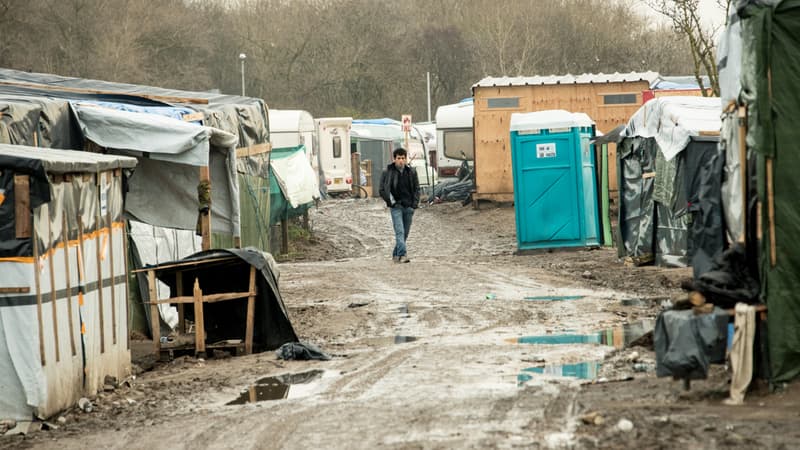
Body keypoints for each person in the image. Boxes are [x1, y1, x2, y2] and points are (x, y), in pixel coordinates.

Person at [379, 147, 420, 263]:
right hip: (396, 207)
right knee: (400, 231)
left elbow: (417, 189)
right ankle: (403, 255)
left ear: (406, 159)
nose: (401, 160)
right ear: (394, 159)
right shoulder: (387, 172)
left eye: (403, 158)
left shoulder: (411, 172)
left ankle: (396, 254)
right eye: (399, 158)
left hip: (408, 207)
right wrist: (391, 202)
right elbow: (382, 190)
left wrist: (414, 204)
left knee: (405, 233)